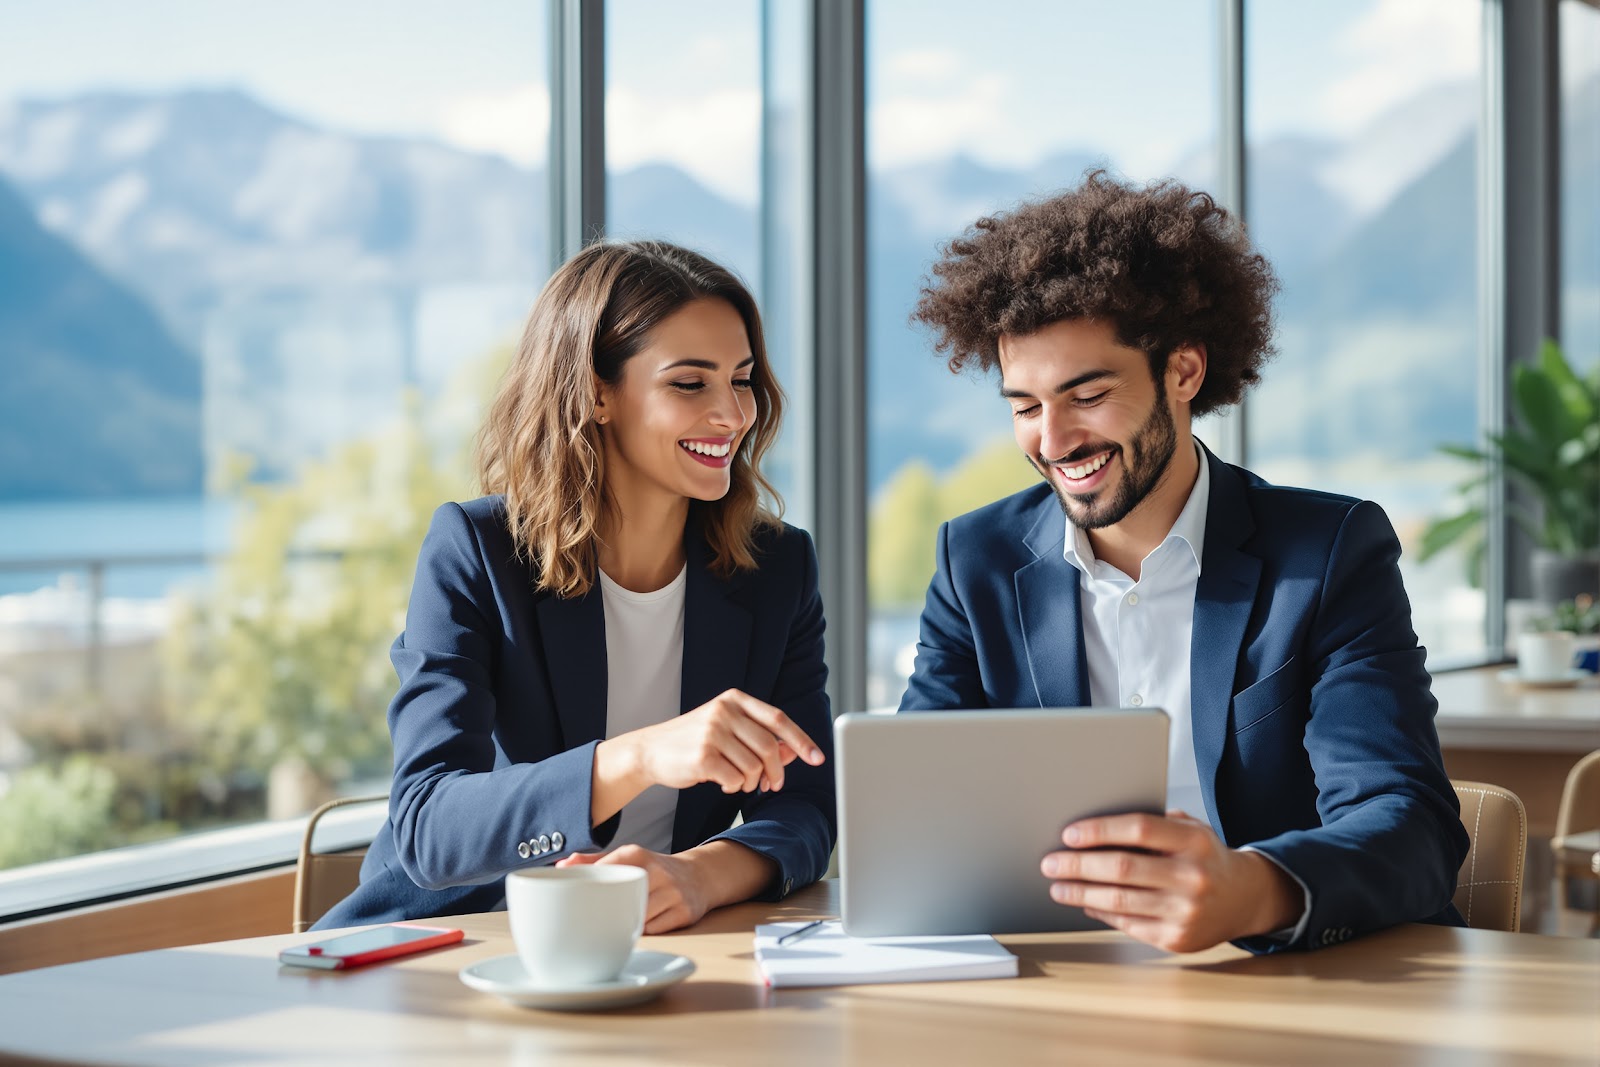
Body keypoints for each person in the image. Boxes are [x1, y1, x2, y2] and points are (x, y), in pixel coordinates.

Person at [901, 171, 1468, 954]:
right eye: (1025, 407)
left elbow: (1410, 824)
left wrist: (1254, 889)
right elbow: (913, 809)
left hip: (1302, 976)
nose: (1054, 440)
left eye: (1087, 394)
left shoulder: (1329, 551)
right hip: (1068, 978)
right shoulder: (977, 563)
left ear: (1184, 371)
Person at [315, 240, 835, 933]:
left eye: (740, 379)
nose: (733, 414)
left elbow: (805, 808)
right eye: (690, 383)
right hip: (449, 943)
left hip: (657, 946)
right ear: (596, 391)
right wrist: (642, 754)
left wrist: (699, 875)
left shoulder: (777, 568)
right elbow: (428, 825)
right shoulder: (476, 551)